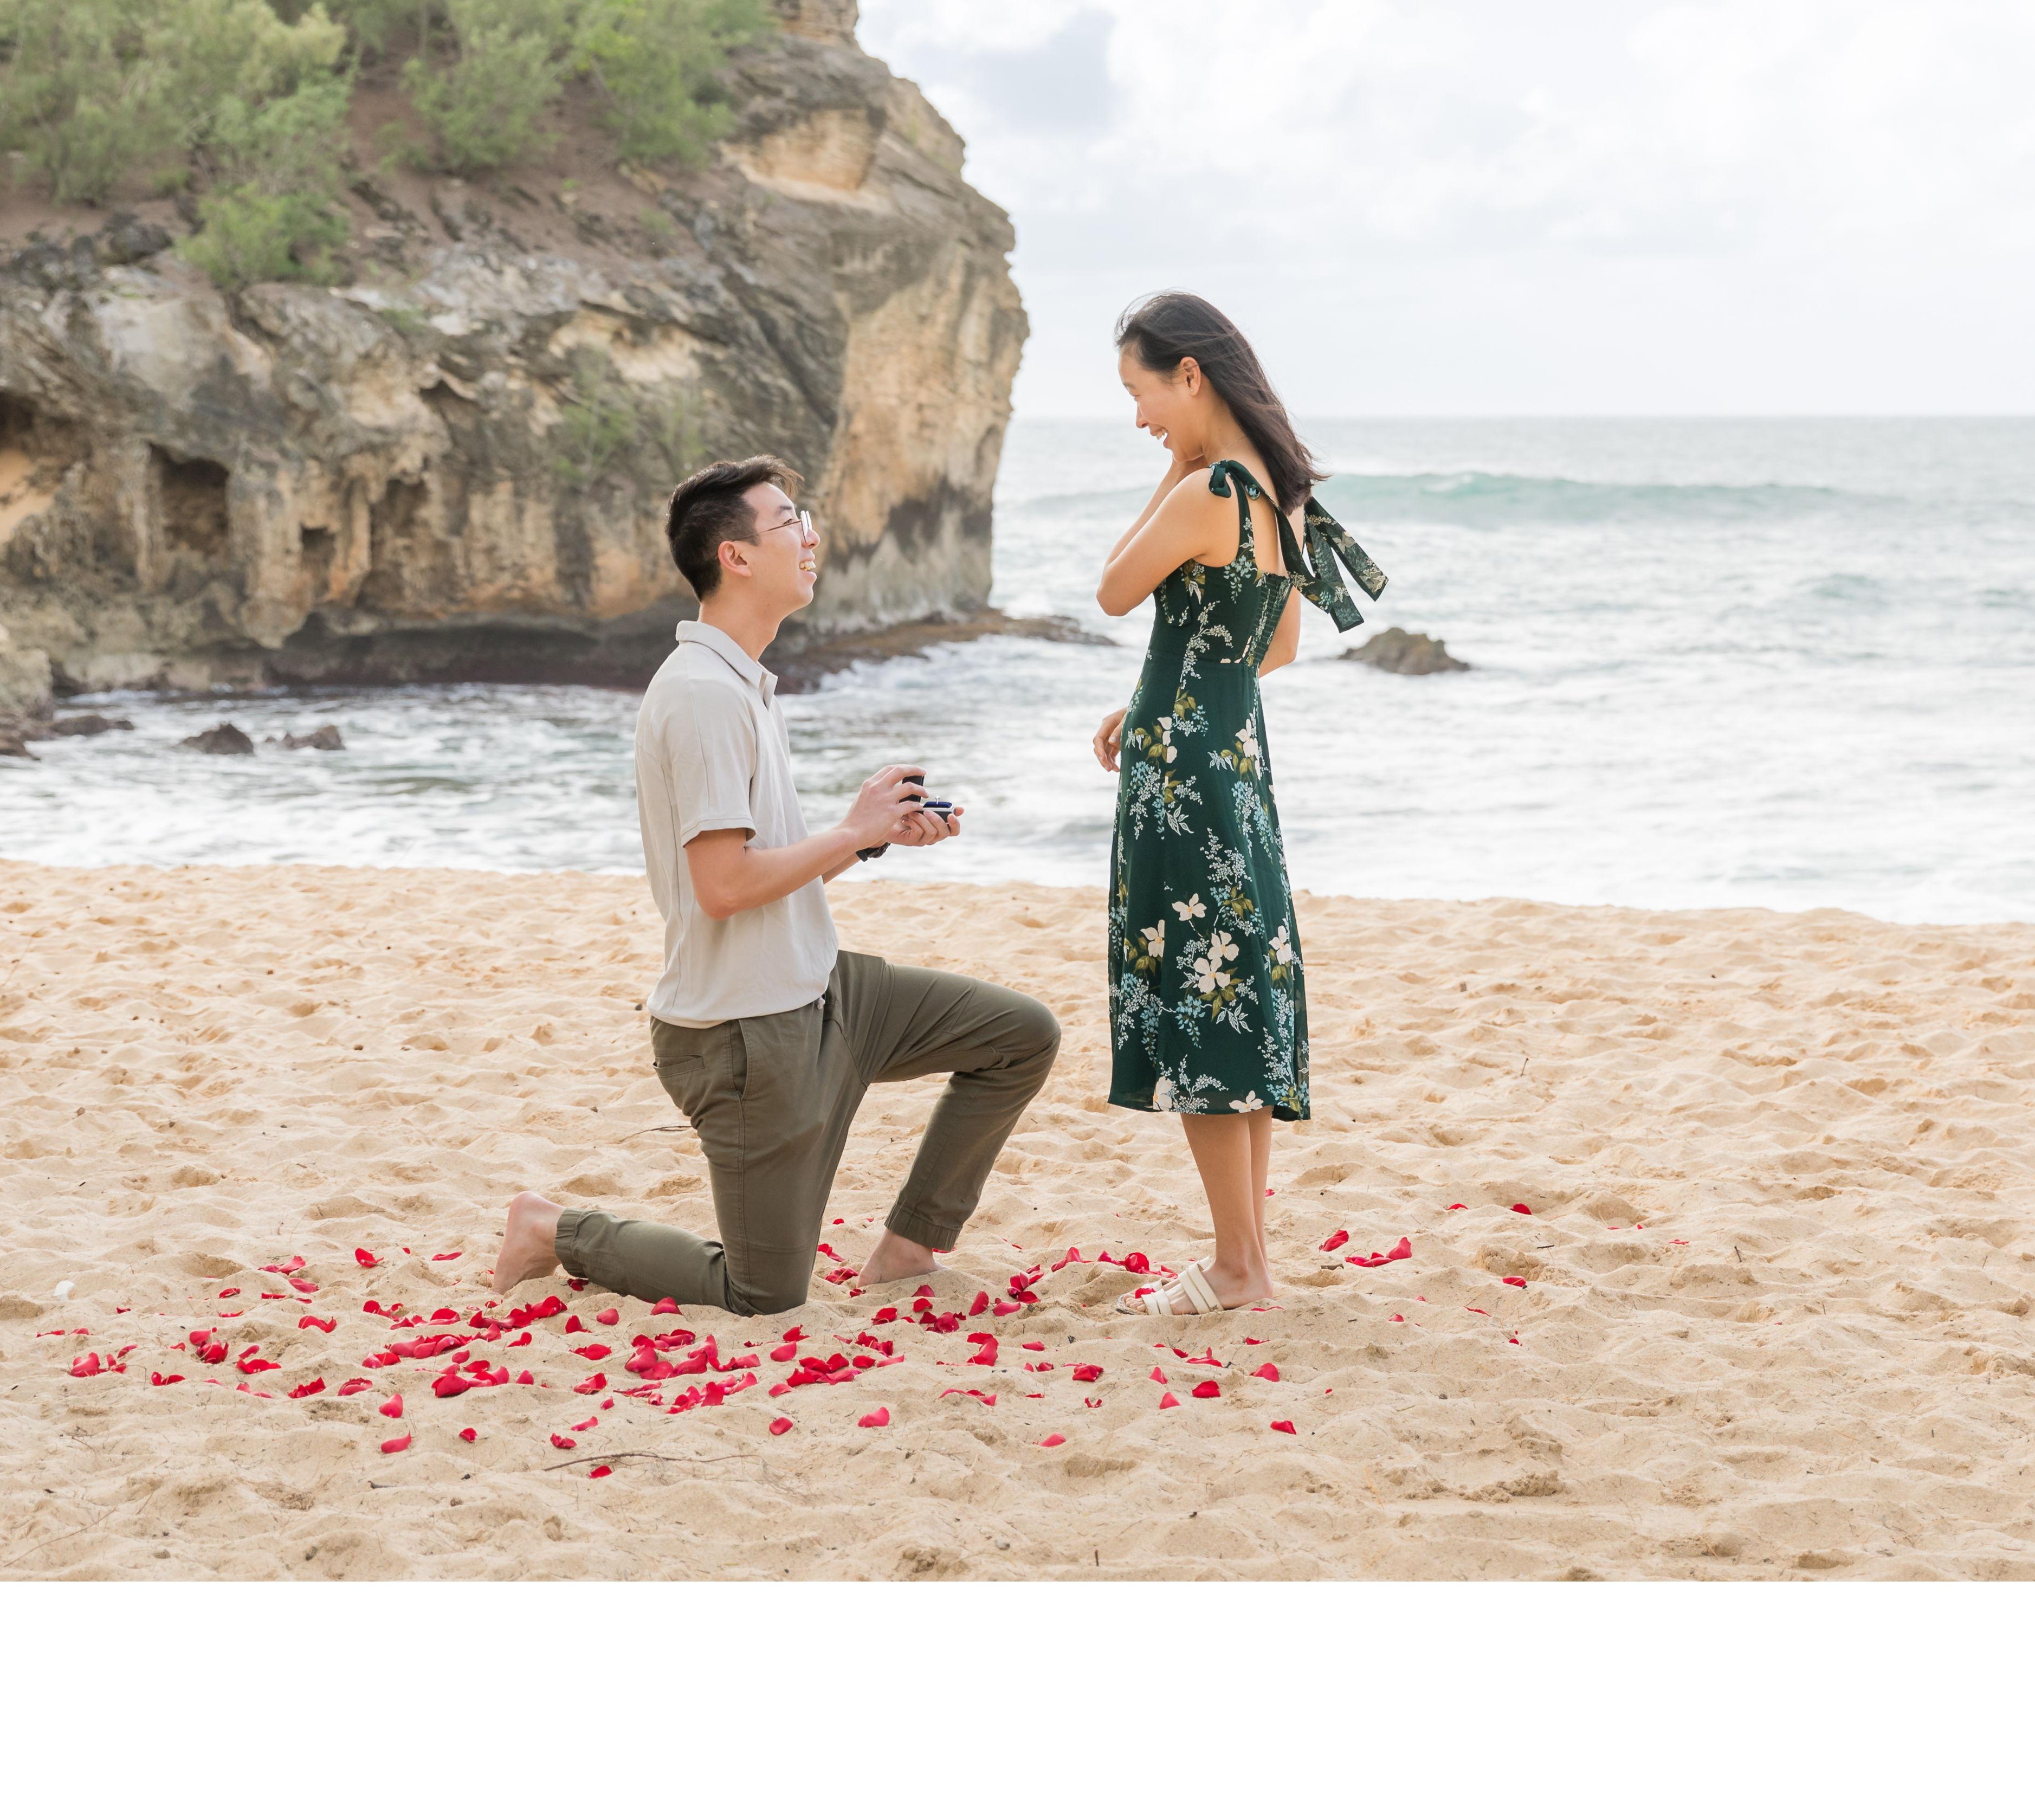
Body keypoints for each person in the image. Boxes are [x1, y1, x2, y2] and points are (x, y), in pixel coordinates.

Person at [493, 455, 1061, 1311]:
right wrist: (852, 830)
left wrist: (870, 839)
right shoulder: (702, 696)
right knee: (763, 1291)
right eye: (790, 521)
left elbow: (764, 862)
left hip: (824, 991)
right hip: (746, 1034)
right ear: (736, 557)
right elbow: (723, 886)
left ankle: (909, 1247)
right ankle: (550, 1229)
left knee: (1019, 1036)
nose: (813, 537)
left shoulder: (742, 683)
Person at [1088, 293, 1385, 1316]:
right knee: (1237, 999)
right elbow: (1277, 647)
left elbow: (1115, 592)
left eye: (1142, 394)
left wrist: (1172, 474)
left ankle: (1236, 1267)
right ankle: (1248, 1263)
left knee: (1200, 1007)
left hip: (1182, 786)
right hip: (1238, 768)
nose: (1141, 421)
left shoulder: (1207, 488)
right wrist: (1157, 701)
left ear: (1190, 374)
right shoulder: (1276, 492)